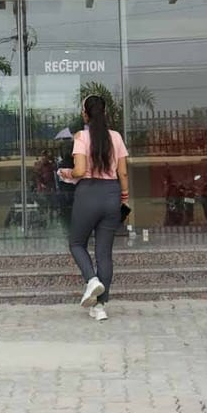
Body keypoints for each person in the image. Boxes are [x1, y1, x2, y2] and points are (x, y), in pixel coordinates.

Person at [58, 95, 129, 322]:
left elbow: (78, 171)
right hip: (112, 194)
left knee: (77, 243)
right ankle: (100, 307)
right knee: (104, 254)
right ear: (104, 112)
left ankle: (91, 280)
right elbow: (123, 173)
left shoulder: (81, 137)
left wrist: (65, 173)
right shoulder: (116, 137)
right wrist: (124, 198)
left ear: (85, 114)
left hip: (88, 193)